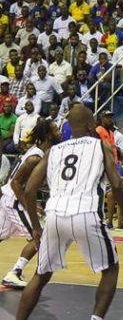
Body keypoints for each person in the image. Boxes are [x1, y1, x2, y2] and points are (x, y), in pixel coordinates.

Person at [16, 105, 123, 320]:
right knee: (110, 269)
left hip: (54, 216)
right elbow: (116, 184)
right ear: (91, 125)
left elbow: (30, 189)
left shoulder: (53, 151)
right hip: (86, 212)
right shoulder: (102, 146)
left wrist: (35, 226)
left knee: (40, 275)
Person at [0, 120, 59, 289]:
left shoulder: (37, 153)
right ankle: (14, 273)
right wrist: (28, 206)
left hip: (10, 199)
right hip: (14, 200)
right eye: (55, 129)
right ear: (48, 135)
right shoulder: (35, 157)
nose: (59, 131)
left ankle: (15, 273)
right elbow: (16, 184)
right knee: (37, 237)